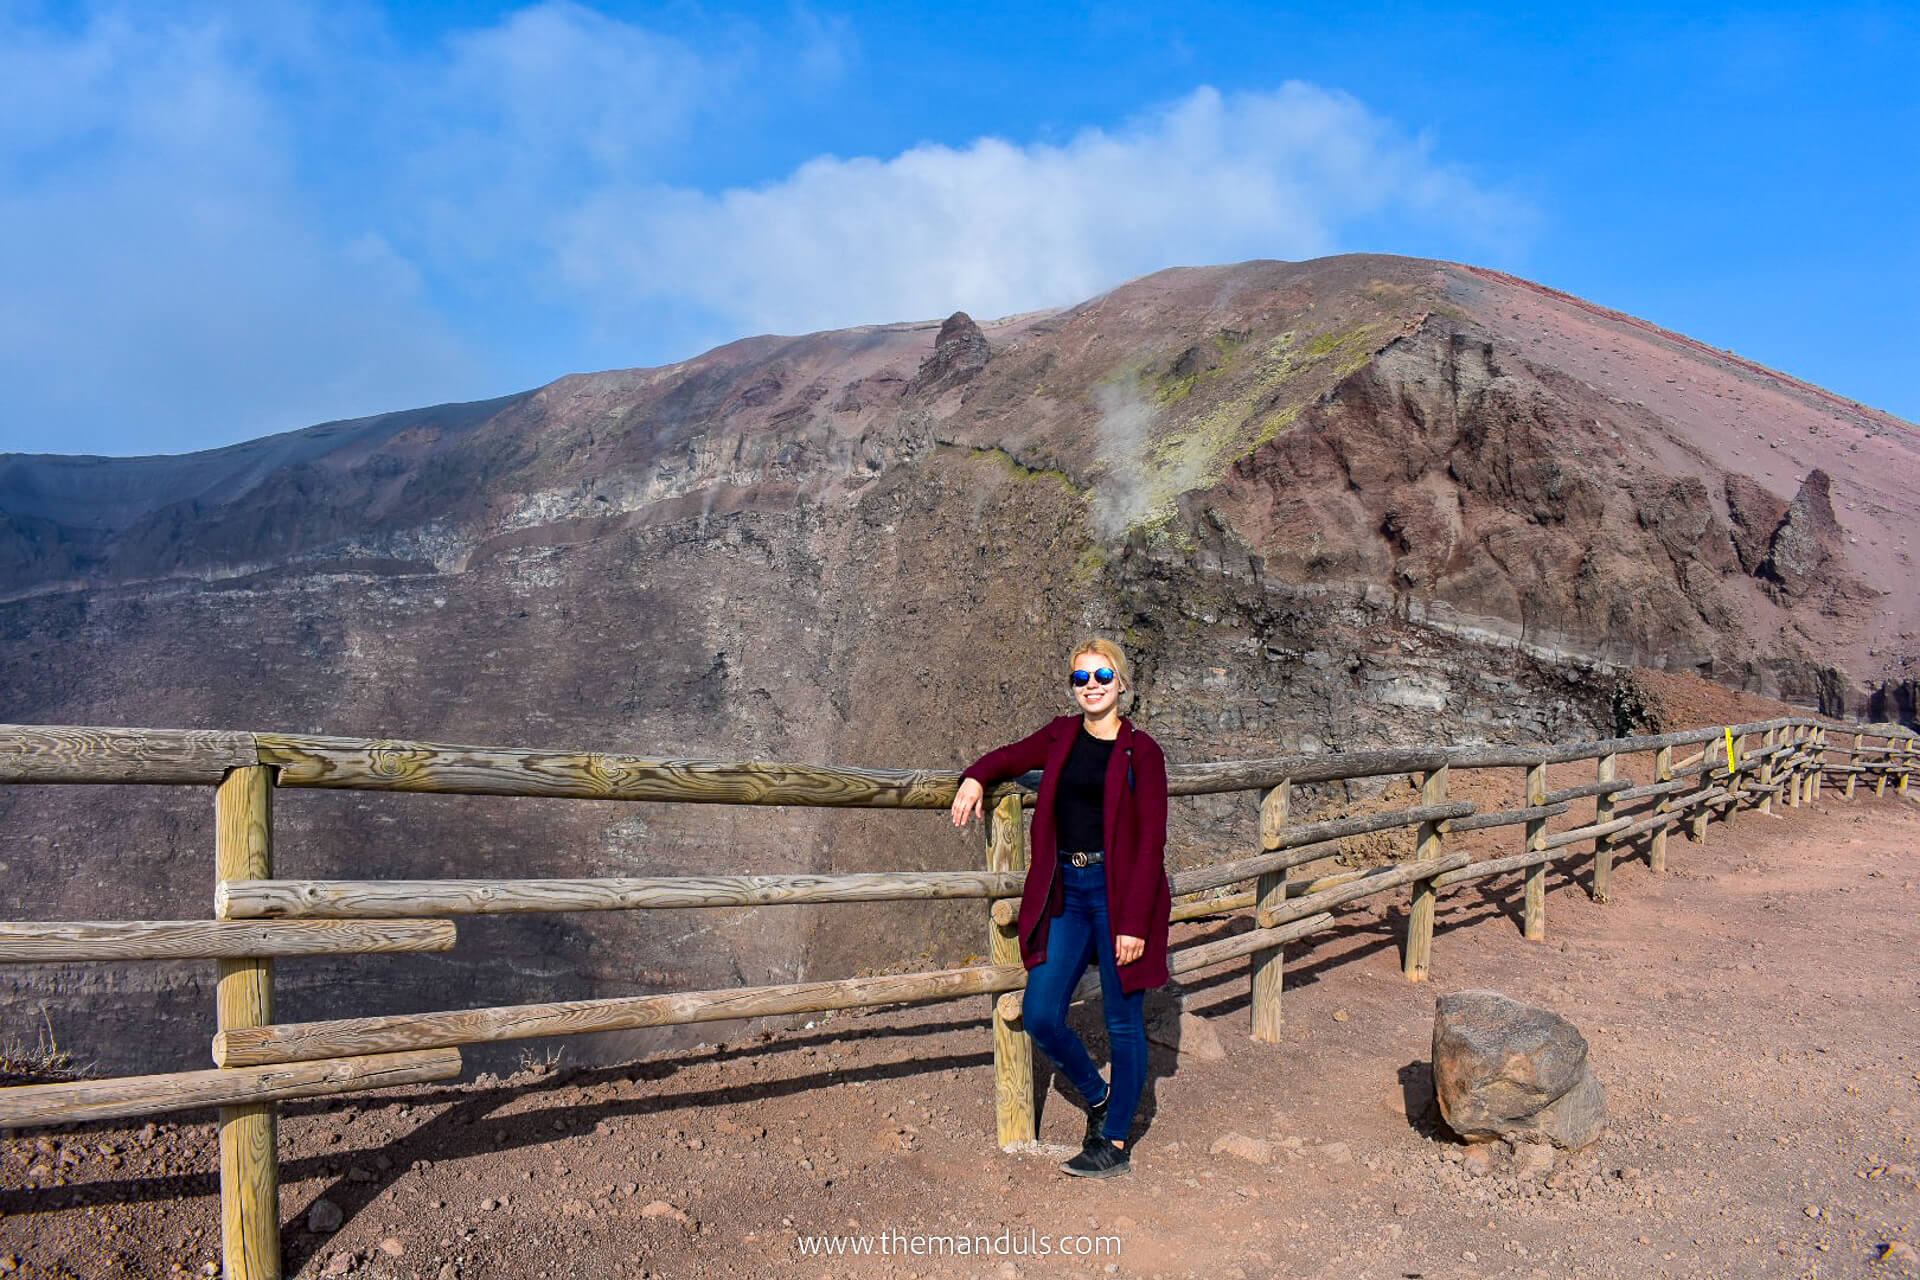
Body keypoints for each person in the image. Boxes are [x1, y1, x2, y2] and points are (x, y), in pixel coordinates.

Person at [951, 637, 1171, 1178]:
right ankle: (1099, 1097)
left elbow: (1150, 842)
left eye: (1102, 676)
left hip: (1119, 893)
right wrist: (976, 777)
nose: (1091, 686)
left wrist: (1135, 922)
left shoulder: (1143, 752)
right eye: (1081, 678)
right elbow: (1005, 758)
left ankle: (1115, 1141)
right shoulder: (1061, 735)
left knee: (1123, 1020)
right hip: (1066, 892)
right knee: (1043, 1013)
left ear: (1121, 683)